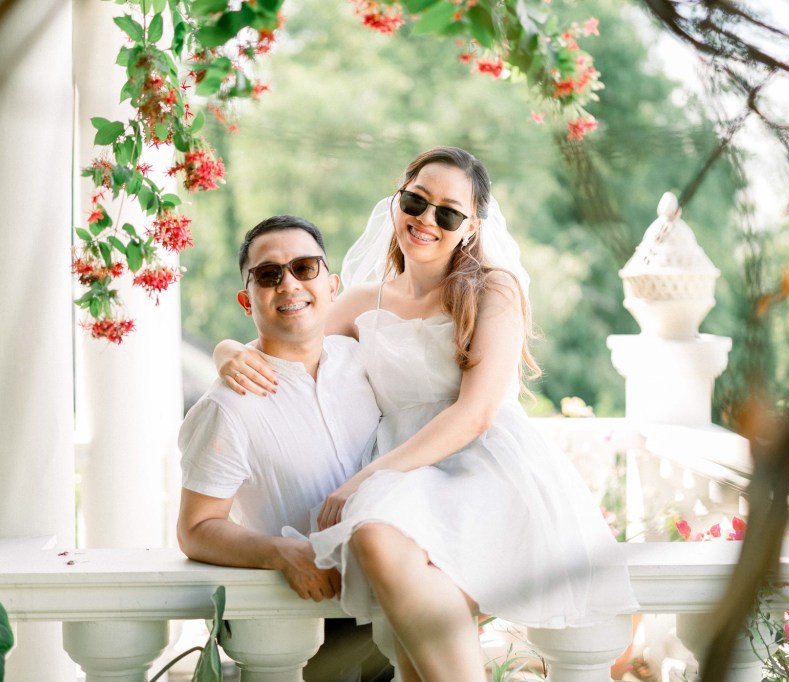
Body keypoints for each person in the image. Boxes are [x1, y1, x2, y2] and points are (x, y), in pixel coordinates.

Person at [216, 147, 639, 681]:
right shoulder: (362, 302)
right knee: (393, 594)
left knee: (373, 536)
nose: (426, 220)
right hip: (403, 475)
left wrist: (364, 481)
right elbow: (289, 335)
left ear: (471, 227)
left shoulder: (493, 289)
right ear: (397, 201)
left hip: (478, 466)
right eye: (416, 201)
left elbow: (476, 412)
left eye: (448, 213)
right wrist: (227, 351)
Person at [177, 214, 392, 682]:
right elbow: (195, 529)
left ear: (331, 286)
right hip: (308, 625)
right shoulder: (228, 405)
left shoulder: (367, 361)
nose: (289, 284)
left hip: (395, 608)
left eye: (304, 268)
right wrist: (279, 553)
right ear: (247, 300)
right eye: (268, 274)